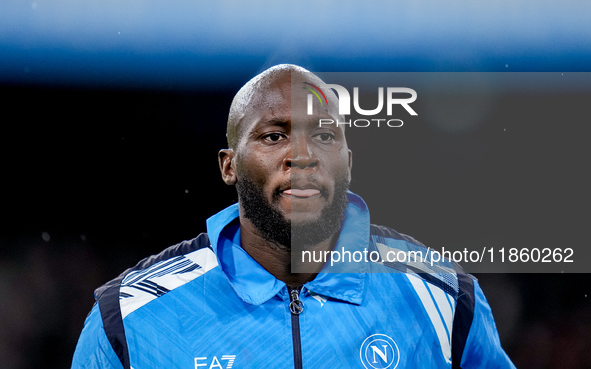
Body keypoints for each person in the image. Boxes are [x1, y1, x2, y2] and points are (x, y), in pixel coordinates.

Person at [72, 64, 515, 368]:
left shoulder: (444, 299)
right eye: (274, 135)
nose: (301, 156)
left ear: (348, 161)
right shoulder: (130, 318)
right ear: (229, 166)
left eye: (323, 135)